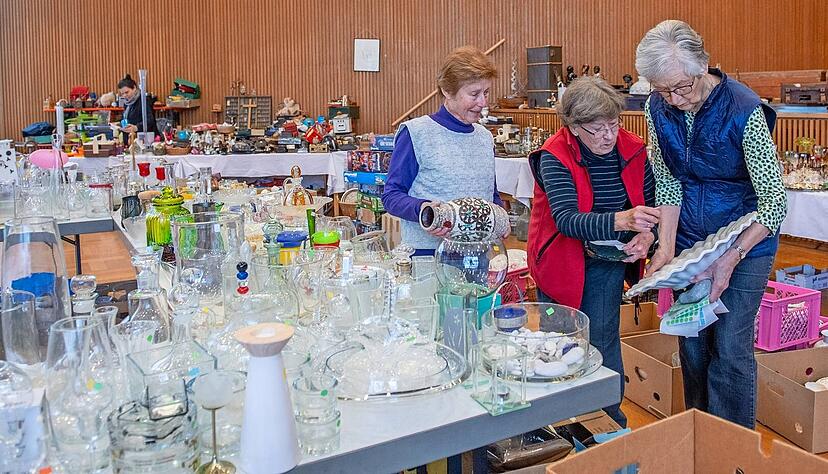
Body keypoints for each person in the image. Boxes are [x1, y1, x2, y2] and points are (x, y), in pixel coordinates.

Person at [636, 20, 787, 428]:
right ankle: (698, 437)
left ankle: (731, 450)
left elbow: (774, 204)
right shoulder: (657, 107)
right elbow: (667, 180)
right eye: (662, 89)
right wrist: (666, 248)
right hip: (690, 242)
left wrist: (730, 257)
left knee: (731, 347)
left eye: (681, 87)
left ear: (702, 67)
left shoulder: (744, 109)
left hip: (745, 241)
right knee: (694, 342)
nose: (674, 98)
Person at [527, 76, 659, 427]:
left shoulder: (633, 149)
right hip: (558, 261)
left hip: (606, 261)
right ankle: (560, 424)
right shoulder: (554, 155)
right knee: (558, 346)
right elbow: (568, 220)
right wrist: (622, 220)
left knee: (602, 339)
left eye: (613, 125)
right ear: (572, 127)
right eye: (596, 129)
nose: (607, 136)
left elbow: (654, 207)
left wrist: (647, 235)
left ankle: (608, 424)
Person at [382, 46, 506, 256]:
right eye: (474, 94)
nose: (483, 103)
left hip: (478, 257)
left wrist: (499, 217)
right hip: (427, 257)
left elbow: (489, 193)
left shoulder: (484, 137)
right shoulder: (417, 133)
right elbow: (391, 196)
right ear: (447, 91)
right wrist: (423, 210)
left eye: (486, 92)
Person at [117, 74, 158, 142]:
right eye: (122, 94)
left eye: (127, 92)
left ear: (134, 88)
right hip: (131, 139)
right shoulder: (127, 103)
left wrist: (136, 127)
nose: (124, 96)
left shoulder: (144, 100)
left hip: (146, 139)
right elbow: (126, 118)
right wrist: (120, 124)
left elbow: (150, 120)